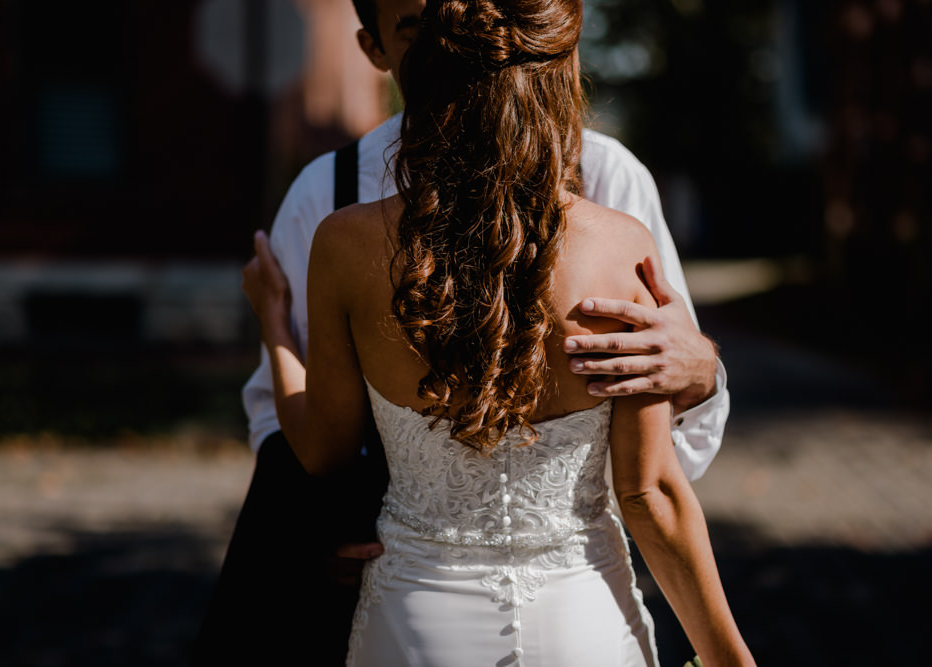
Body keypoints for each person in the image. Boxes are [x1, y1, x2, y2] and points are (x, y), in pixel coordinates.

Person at [189, 0, 730, 663]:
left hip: (415, 620)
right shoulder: (621, 246)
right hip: (581, 618)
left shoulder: (346, 243)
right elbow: (650, 490)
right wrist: (732, 657)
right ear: (560, 72)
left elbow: (320, 449)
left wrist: (274, 325)